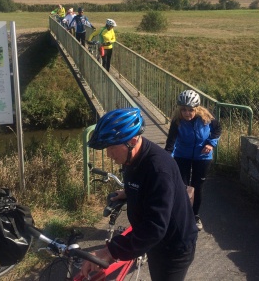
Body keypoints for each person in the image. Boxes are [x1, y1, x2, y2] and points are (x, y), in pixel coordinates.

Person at [80, 108, 197, 281]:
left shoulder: (158, 169)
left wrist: (110, 251)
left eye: (112, 147)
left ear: (133, 141)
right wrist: (128, 192)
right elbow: (142, 183)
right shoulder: (132, 157)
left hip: (174, 246)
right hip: (156, 242)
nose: (109, 154)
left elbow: (154, 227)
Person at [164, 90, 222, 231]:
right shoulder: (177, 121)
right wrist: (165, 159)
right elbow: (170, 142)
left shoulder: (206, 118)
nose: (187, 113)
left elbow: (218, 128)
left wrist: (210, 143)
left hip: (202, 157)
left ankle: (195, 215)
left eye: (190, 110)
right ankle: (182, 215)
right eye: (183, 110)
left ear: (197, 108)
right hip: (182, 155)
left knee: (197, 186)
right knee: (182, 186)